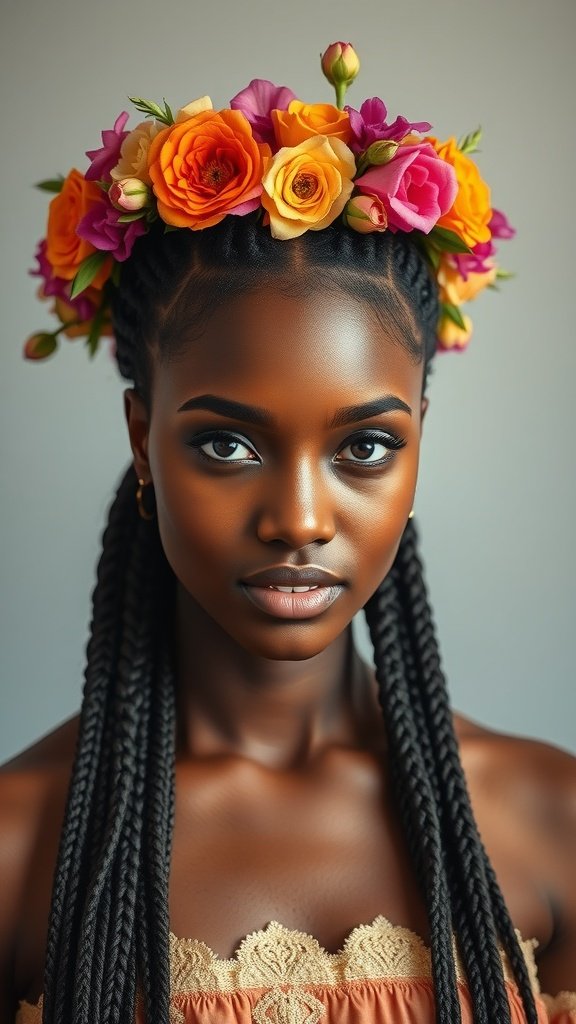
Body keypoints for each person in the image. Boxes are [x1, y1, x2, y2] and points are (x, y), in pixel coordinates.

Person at [1, 42, 575, 1024]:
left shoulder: (549, 815)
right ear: (142, 440)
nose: (300, 518)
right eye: (226, 444)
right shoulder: (23, 845)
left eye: (365, 447)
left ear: (420, 442)